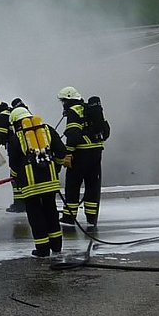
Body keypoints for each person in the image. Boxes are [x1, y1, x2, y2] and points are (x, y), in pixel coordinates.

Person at [6, 106, 70, 257]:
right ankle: (56, 246)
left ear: (15, 122)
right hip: (50, 181)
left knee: (36, 216)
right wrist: (56, 168)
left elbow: (13, 164)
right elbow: (61, 151)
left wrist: (16, 177)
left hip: (30, 186)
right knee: (51, 212)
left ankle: (42, 250)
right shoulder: (46, 130)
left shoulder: (16, 138)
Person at [57, 86, 105, 230]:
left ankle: (69, 217)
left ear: (68, 100)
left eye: (64, 101)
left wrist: (68, 153)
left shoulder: (74, 111)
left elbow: (73, 135)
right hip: (96, 153)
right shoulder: (89, 109)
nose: (63, 104)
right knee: (92, 185)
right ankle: (92, 217)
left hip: (80, 154)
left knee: (73, 185)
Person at [0, 99, 25, 212]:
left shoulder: (2, 116)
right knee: (20, 175)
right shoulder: (10, 113)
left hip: (16, 150)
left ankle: (19, 204)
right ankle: (24, 203)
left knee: (15, 175)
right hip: (24, 149)